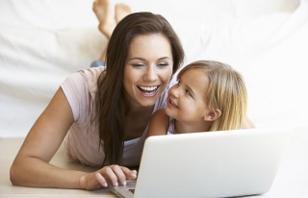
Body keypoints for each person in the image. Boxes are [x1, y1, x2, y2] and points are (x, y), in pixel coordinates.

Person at [9, 9, 184, 190]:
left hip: (116, 73)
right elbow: (21, 168)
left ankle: (112, 30)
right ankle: (110, 29)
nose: (151, 77)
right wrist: (84, 180)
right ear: (117, 64)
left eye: (162, 64)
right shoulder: (80, 88)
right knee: (98, 67)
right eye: (138, 64)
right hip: (106, 79)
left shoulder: (177, 93)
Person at [147, 60, 251, 136]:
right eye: (179, 82)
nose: (174, 91)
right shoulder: (161, 119)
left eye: (188, 92)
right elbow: (153, 162)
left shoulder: (234, 130)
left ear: (211, 114)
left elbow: (257, 147)